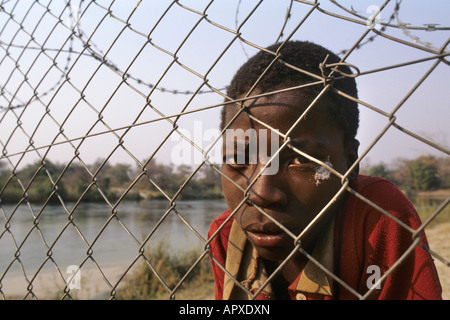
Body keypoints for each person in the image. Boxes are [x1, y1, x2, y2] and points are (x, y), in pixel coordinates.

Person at [207, 40, 442, 300]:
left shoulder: (378, 216)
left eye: (300, 160)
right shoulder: (226, 235)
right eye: (238, 160)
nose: (260, 194)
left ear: (350, 162)